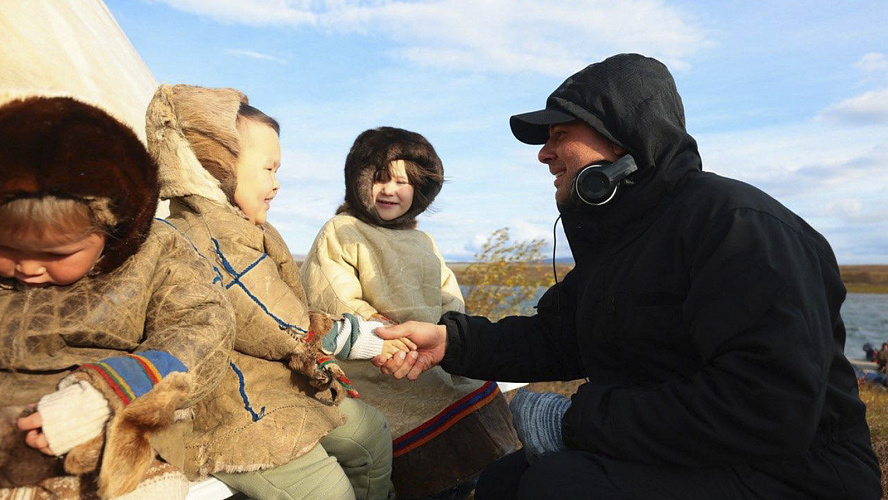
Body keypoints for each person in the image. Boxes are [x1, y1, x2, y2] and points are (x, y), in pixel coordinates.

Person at [372, 53, 882, 499]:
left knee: (561, 485)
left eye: (559, 135)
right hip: (705, 454)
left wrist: (575, 423)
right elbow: (558, 335)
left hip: (798, 473)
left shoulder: (736, 227)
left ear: (622, 139)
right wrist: (447, 341)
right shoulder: (623, 237)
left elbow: (767, 408)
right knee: (506, 481)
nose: (544, 154)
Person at [145, 84, 395, 500]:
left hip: (273, 389)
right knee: (326, 490)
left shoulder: (246, 229)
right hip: (234, 413)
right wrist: (369, 340)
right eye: (268, 169)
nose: (277, 184)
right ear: (216, 166)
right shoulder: (202, 236)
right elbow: (277, 320)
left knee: (371, 435)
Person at [0, 94, 234, 499]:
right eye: (7, 248)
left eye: (56, 254)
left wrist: (109, 396)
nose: (29, 268)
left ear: (113, 230)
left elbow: (201, 325)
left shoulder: (153, 253)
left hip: (108, 441)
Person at [300, 127, 517, 499]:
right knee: (409, 434)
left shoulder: (423, 240)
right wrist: (394, 339)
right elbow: (335, 298)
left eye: (402, 181)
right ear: (359, 181)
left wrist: (449, 334)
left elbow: (450, 296)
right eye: (380, 178)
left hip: (430, 353)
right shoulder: (342, 230)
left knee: (474, 399)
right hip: (379, 357)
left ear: (419, 189)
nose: (389, 190)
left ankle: (473, 480)